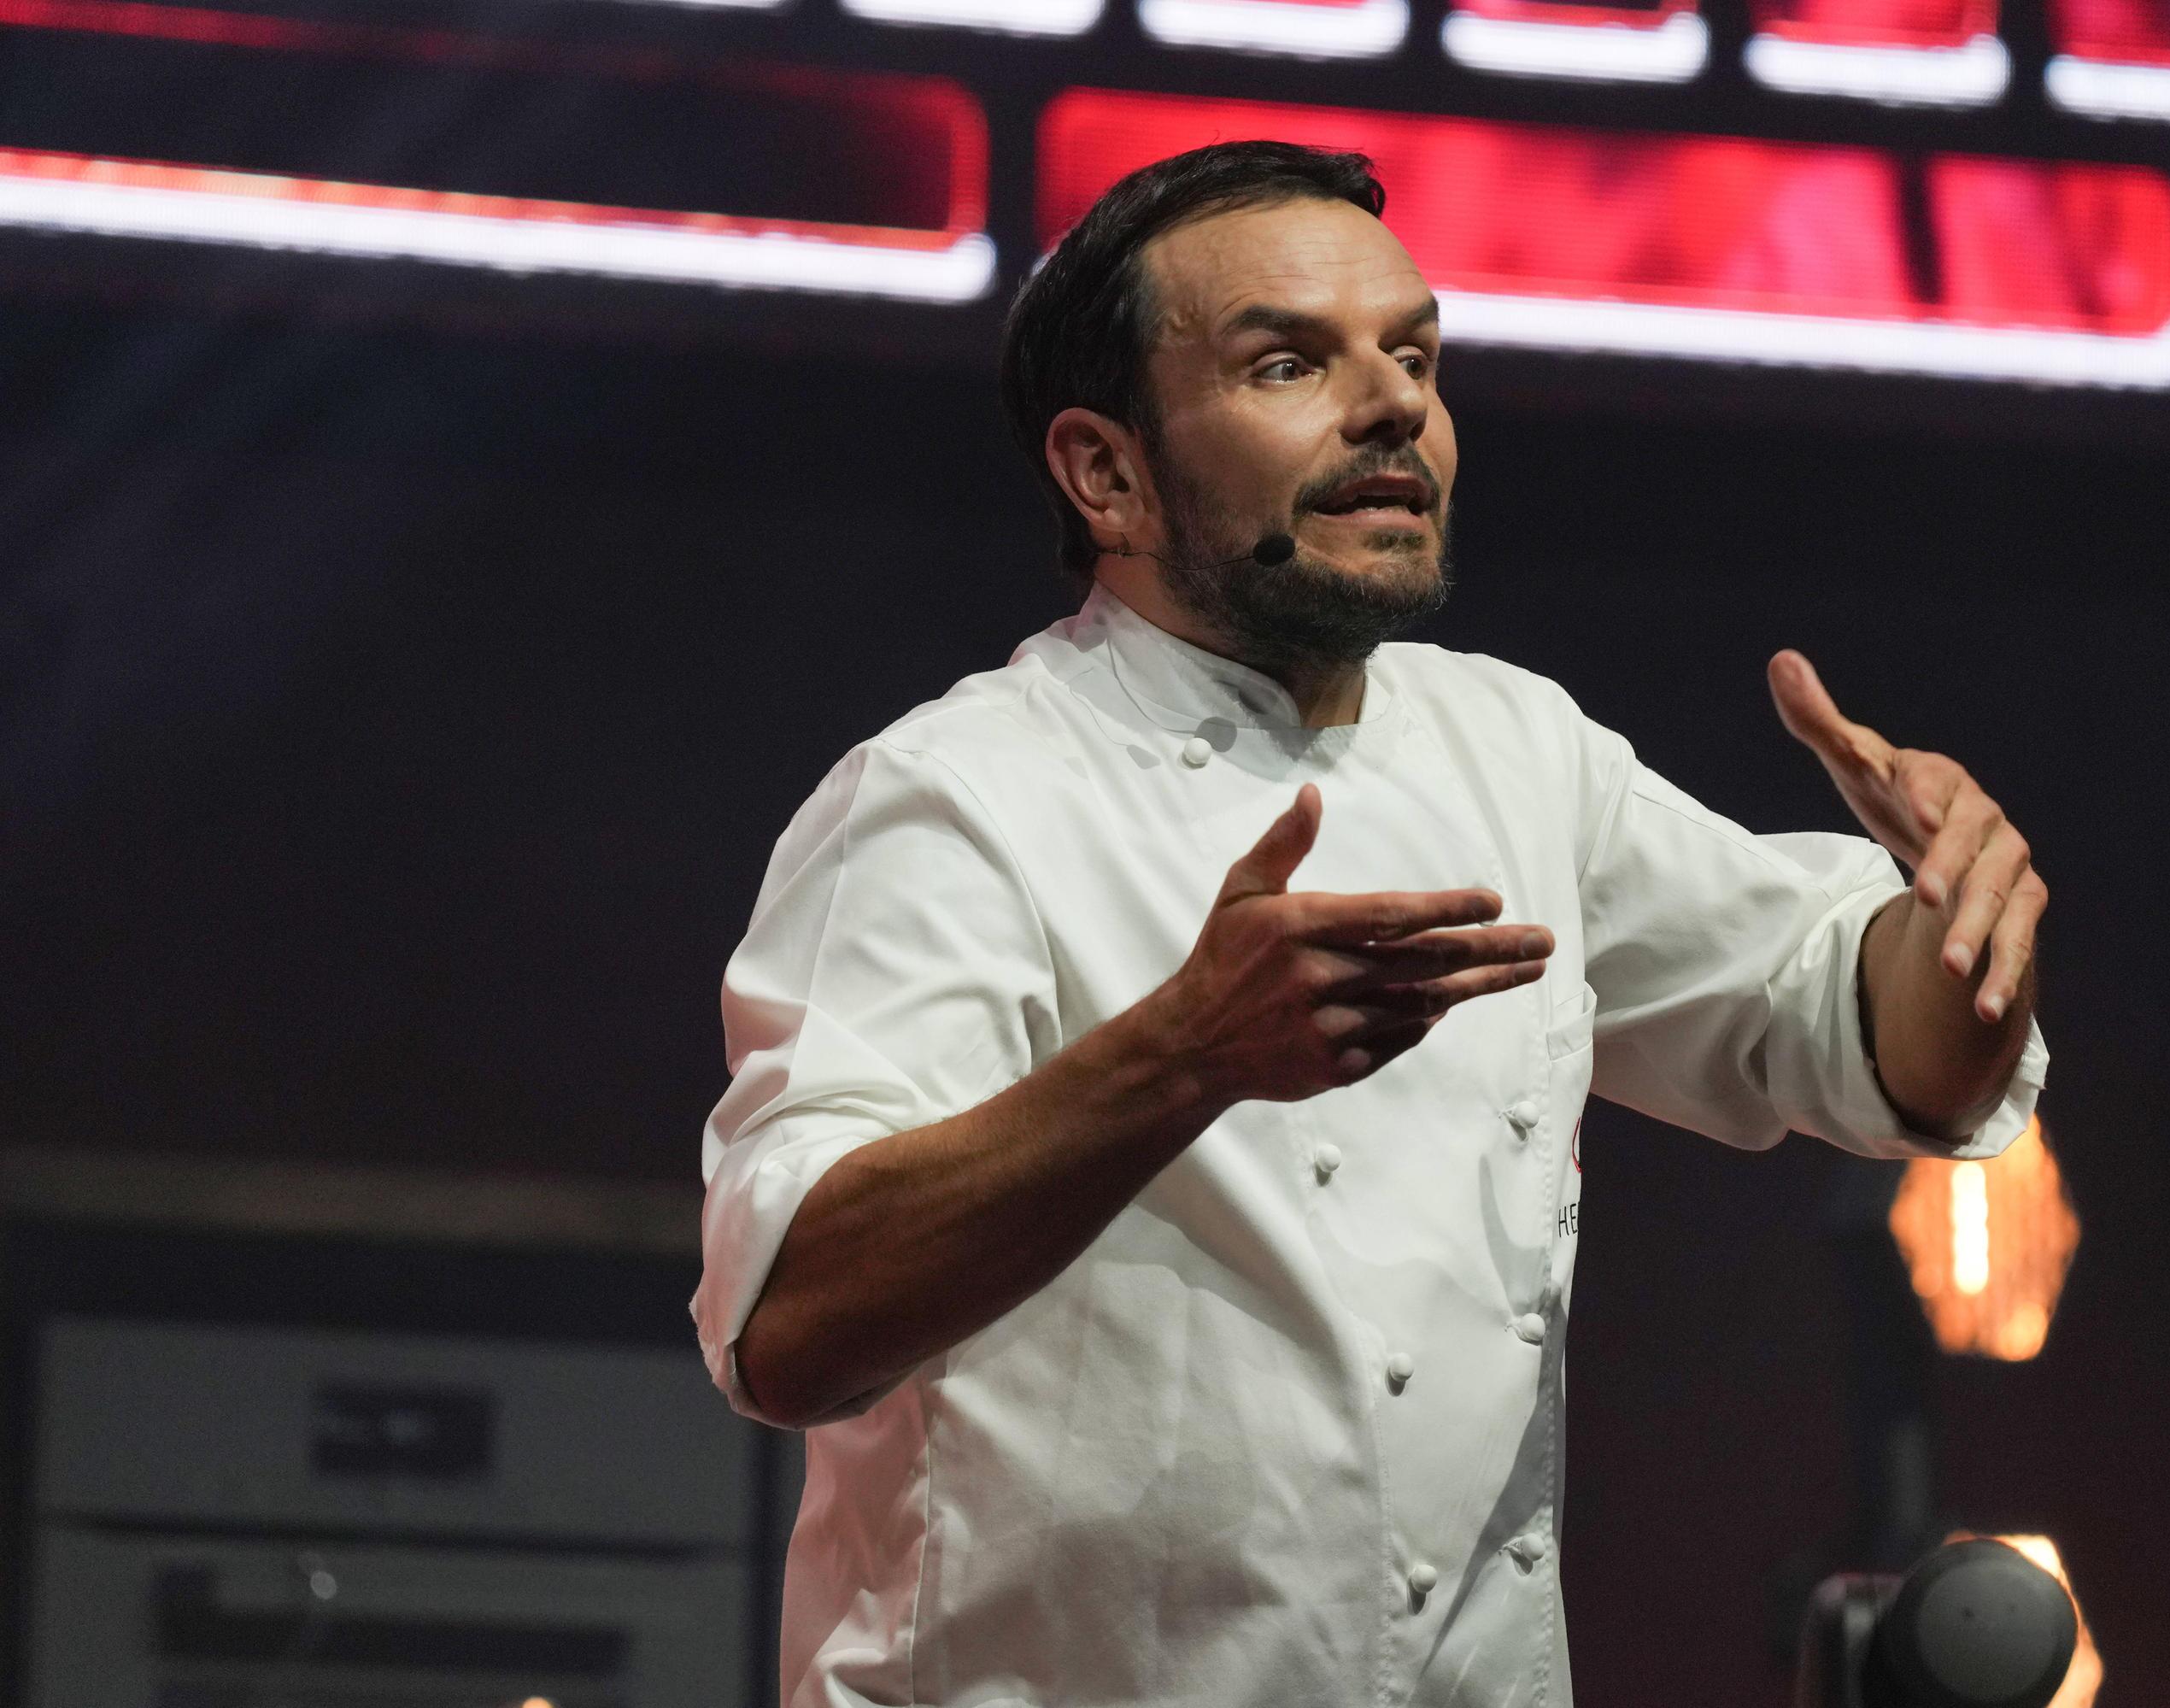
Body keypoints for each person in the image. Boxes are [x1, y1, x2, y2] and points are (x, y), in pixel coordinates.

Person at [692, 140, 2047, 1707]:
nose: (1393, 405)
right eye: (1289, 362)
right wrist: (1182, 1059)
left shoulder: (1514, 751)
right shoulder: (957, 798)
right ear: (1105, 474)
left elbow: (1856, 1036)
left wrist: (1964, 925)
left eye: (1414, 356)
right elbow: (788, 1324)